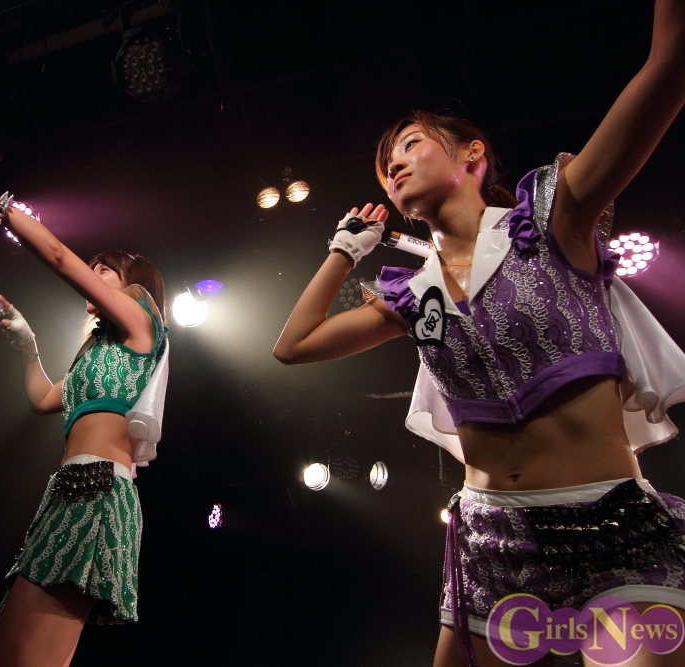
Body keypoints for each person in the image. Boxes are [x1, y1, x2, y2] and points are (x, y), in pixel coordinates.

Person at [273, 1, 685, 664]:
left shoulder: (554, 218)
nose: (394, 165)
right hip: (494, 540)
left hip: (612, 523)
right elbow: (293, 346)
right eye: (385, 166)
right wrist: (344, 251)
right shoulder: (413, 297)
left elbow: (669, 67)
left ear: (472, 154)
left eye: (410, 145)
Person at [0, 148, 170, 667]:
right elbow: (43, 399)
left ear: (134, 285)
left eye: (104, 271)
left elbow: (57, 256)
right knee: (3, 657)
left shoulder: (143, 327)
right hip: (67, 493)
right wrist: (28, 345)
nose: (91, 277)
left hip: (99, 493)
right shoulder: (93, 357)